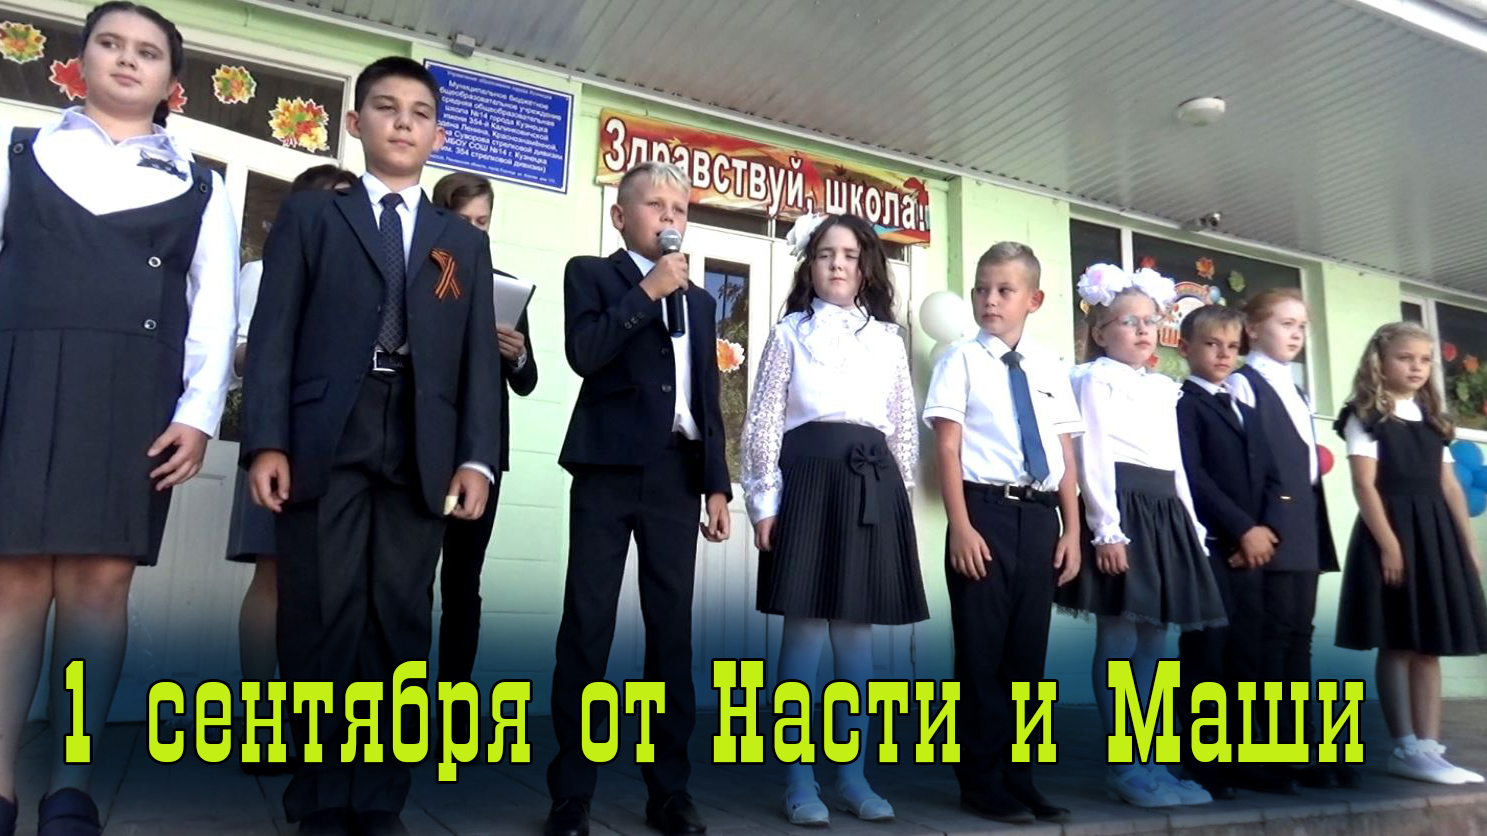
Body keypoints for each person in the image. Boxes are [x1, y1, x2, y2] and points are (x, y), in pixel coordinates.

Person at [243, 56, 502, 836]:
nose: (402, 122)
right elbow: (275, 332)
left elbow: (476, 358)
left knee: (399, 616)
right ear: (355, 124)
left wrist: (477, 457)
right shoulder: (313, 216)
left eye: (419, 113)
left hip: (421, 436)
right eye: (386, 108)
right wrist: (266, 441)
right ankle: (321, 797)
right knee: (320, 611)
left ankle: (379, 797)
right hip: (327, 428)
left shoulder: (460, 241)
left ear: (438, 136)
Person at [0, 4, 237, 835]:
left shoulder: (200, 184)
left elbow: (215, 311)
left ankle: (72, 784)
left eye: (147, 52)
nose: (127, 60)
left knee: (100, 585)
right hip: (22, 374)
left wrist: (198, 414)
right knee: (13, 581)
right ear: (81, 59)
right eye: (110, 43)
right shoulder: (21, 152)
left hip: (134, 391)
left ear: (171, 80)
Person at [545, 161, 730, 836]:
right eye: (655, 205)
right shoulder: (591, 275)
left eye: (679, 207)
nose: (669, 216)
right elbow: (585, 353)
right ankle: (571, 792)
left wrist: (716, 483)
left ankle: (669, 790)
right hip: (606, 470)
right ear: (621, 216)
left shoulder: (700, 302)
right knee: (587, 623)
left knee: (670, 631)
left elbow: (705, 395)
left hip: (676, 475)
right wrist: (648, 291)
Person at [742, 213, 928, 826]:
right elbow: (764, 421)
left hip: (869, 487)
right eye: (825, 254)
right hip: (808, 484)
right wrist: (764, 502)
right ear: (810, 265)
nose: (838, 264)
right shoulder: (789, 333)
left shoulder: (888, 340)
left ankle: (851, 775)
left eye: (849, 254)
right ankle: (799, 781)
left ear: (866, 266)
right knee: (803, 634)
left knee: (855, 637)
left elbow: (902, 426)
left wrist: (899, 502)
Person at [1054, 265, 1225, 808]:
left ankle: (1153, 759)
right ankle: (1124, 766)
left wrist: (1191, 524)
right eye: (1129, 321)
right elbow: (1092, 455)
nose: (1143, 329)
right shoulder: (1093, 378)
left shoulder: (1161, 387)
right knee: (1121, 637)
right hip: (1123, 508)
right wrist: (1107, 527)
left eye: (1150, 321)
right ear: (1100, 332)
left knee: (1156, 641)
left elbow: (1175, 463)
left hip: (1164, 511)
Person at [923, 242, 1082, 824]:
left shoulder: (1049, 368)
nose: (990, 300)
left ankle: (1021, 779)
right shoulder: (960, 360)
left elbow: (1064, 453)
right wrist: (960, 525)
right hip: (984, 513)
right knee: (981, 655)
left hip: (1040, 518)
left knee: (1027, 658)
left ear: (1033, 300)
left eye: (1004, 290)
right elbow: (948, 447)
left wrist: (1073, 529)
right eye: (982, 289)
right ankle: (981, 782)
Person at [227, 163, 355, 777]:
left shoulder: (364, 276)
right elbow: (240, 356)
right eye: (331, 202)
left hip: (347, 450)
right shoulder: (263, 270)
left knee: (336, 589)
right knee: (274, 580)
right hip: (280, 437)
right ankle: (260, 724)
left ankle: (319, 727)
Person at [1333, 322, 1487, 784]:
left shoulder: (1431, 416)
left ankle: (1429, 747)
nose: (1417, 367)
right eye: (1405, 358)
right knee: (1398, 640)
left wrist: (1466, 544)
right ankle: (1403, 747)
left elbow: (1449, 486)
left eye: (1424, 360)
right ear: (1380, 362)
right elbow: (1364, 486)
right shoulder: (1365, 416)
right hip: (1393, 531)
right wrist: (1390, 546)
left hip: (1434, 534)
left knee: (1429, 644)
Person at [1227, 288, 1356, 789]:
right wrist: (1249, 526)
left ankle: (1300, 744)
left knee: (1299, 636)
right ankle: (1266, 750)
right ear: (1253, 328)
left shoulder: (1297, 390)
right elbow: (1244, 464)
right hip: (1268, 525)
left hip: (1303, 521)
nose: (1296, 334)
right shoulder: (1243, 384)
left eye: (1302, 326)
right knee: (1268, 638)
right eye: (1285, 323)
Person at [428, 172, 538, 744]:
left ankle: (455, 710)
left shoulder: (507, 288)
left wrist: (515, 355)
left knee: (463, 584)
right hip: (421, 449)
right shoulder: (420, 275)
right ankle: (396, 706)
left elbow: (528, 381)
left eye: (483, 222)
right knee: (407, 581)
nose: (474, 232)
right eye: (464, 220)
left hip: (482, 457)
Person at [1173, 304, 1297, 797]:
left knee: (1247, 656)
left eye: (1231, 346)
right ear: (1185, 348)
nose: (1224, 355)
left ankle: (1244, 755)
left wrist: (1265, 532)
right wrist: (1241, 529)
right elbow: (1193, 476)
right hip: (1211, 548)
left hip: (1251, 553)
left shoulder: (1242, 407)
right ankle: (1204, 760)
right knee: (1208, 654)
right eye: (1212, 345)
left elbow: (1272, 478)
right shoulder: (1183, 405)